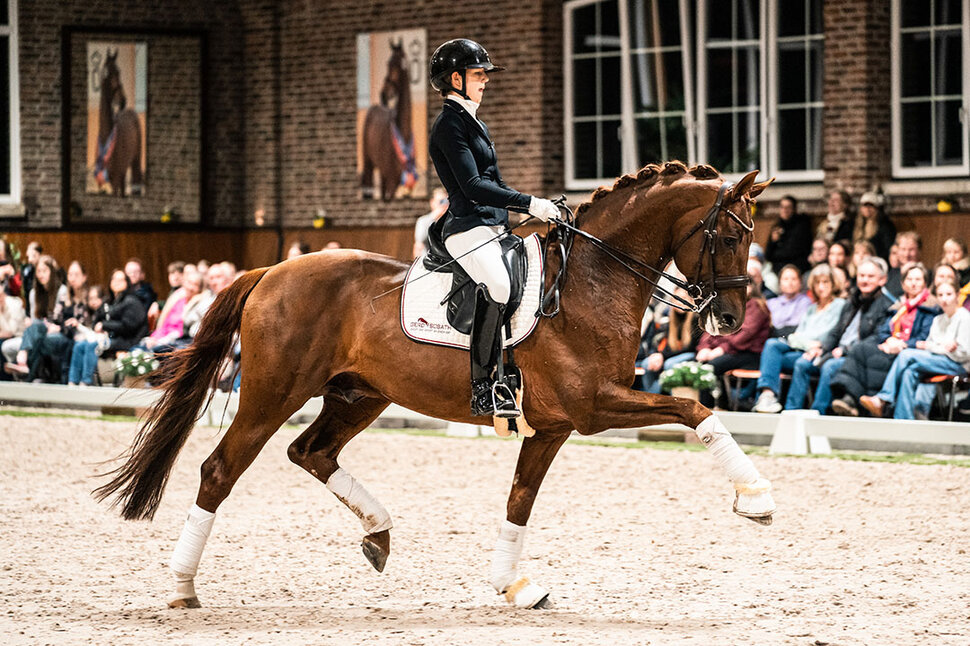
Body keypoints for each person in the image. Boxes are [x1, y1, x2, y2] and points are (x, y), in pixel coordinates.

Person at [427, 38, 559, 418]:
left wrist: (527, 209)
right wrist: (530, 203)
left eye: (485, 75)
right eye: (478, 74)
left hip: (492, 225)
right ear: (456, 78)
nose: (485, 81)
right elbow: (471, 186)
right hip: (466, 226)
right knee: (498, 285)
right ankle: (482, 385)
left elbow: (494, 183)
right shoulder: (448, 126)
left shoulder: (473, 122)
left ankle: (514, 372)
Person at [784, 257, 894, 413]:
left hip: (857, 357)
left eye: (870, 277)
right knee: (803, 363)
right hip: (834, 351)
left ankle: (818, 413)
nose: (865, 280)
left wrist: (845, 350)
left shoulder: (886, 305)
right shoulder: (853, 301)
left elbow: (877, 337)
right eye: (862, 276)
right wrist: (822, 349)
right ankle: (790, 411)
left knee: (830, 366)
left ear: (882, 280)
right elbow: (836, 332)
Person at [829, 262, 937, 416]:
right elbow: (884, 330)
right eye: (909, 279)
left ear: (925, 283)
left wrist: (902, 344)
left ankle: (872, 406)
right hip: (891, 345)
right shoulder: (898, 306)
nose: (913, 283)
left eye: (918, 279)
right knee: (861, 348)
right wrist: (888, 340)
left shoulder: (931, 307)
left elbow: (925, 337)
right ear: (903, 283)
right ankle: (851, 399)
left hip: (910, 350)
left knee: (875, 359)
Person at [861, 279, 970, 420]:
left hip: (958, 365)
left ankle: (883, 398)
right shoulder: (938, 320)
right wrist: (940, 347)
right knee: (909, 371)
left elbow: (963, 353)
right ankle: (903, 418)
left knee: (906, 355)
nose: (944, 299)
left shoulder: (964, 318)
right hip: (937, 360)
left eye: (948, 294)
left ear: (957, 295)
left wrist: (937, 347)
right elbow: (929, 346)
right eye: (941, 295)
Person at [752, 265, 846, 413]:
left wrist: (807, 342)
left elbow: (827, 335)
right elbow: (795, 336)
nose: (821, 287)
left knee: (798, 363)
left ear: (833, 284)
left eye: (825, 282)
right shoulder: (812, 308)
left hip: (819, 354)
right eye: (817, 283)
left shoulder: (839, 305)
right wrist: (808, 343)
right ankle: (767, 395)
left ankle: (791, 409)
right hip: (803, 349)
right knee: (771, 345)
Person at [694, 261, 772, 407]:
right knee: (700, 364)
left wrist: (720, 349)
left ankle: (712, 406)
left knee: (710, 367)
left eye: (745, 286)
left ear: (752, 287)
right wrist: (705, 348)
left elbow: (743, 335)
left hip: (749, 354)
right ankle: (707, 405)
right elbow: (712, 329)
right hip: (731, 352)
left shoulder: (757, 305)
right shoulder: (729, 306)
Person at [68, 269, 148, 387]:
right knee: (80, 345)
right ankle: (72, 382)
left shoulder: (131, 301)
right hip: (111, 338)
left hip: (127, 340)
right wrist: (98, 325)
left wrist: (105, 325)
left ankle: (86, 381)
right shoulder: (111, 302)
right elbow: (97, 320)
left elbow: (128, 327)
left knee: (92, 345)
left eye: (120, 279)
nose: (116, 282)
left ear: (127, 283)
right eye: (114, 279)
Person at [5, 255, 69, 379]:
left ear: (52, 271)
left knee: (37, 334)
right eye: (38, 271)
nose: (41, 275)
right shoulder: (34, 293)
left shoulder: (62, 291)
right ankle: (29, 373)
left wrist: (55, 327)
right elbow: (35, 318)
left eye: (44, 271)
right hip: (40, 330)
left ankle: (23, 360)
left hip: (57, 330)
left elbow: (61, 318)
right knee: (35, 329)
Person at [765, 195, 812, 273]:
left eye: (788, 207)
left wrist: (776, 255)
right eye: (782, 207)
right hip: (778, 267)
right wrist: (773, 242)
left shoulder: (801, 225)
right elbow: (768, 255)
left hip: (797, 267)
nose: (785, 210)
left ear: (794, 209)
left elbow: (792, 252)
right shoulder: (777, 226)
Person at [767, 265, 811, 337]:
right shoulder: (771, 303)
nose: (790, 283)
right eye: (786, 279)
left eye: (794, 279)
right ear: (779, 283)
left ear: (800, 283)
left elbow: (797, 326)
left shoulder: (805, 302)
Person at [851, 192, 895, 260]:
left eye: (871, 206)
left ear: (876, 208)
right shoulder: (856, 224)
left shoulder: (885, 225)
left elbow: (888, 248)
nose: (867, 209)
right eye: (865, 205)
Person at [413, 188, 450, 258]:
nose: (444, 205)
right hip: (427, 260)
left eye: (446, 201)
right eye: (441, 202)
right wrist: (434, 217)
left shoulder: (449, 220)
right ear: (432, 202)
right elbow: (420, 242)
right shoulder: (423, 221)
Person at [0, 287, 26, 379]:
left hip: (20, 336)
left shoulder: (14, 304)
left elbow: (11, 331)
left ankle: (5, 379)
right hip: (4, 337)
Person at [885, 231, 922, 297]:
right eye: (903, 249)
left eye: (911, 250)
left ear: (919, 251)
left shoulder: (925, 275)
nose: (906, 254)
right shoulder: (890, 274)